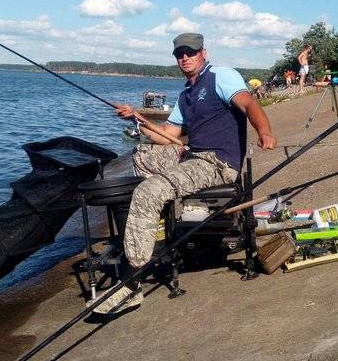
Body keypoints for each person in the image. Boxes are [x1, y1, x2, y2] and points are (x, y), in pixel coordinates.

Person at [98, 33, 278, 313]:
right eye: (179, 53)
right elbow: (167, 135)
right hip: (192, 153)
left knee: (149, 191)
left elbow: (249, 105)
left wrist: (264, 132)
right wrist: (136, 118)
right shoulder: (186, 94)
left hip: (217, 162)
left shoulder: (220, 76)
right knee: (142, 156)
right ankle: (150, 229)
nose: (185, 57)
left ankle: (131, 283)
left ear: (203, 53)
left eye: (190, 52)